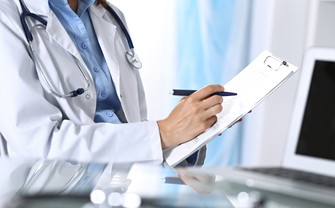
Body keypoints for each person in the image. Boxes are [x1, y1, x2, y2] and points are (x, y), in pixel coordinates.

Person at [0, 0, 224, 166]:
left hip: (113, 200)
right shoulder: (7, 16)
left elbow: (130, 129)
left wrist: (190, 130)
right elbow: (38, 144)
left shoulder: (108, 15)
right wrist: (162, 133)